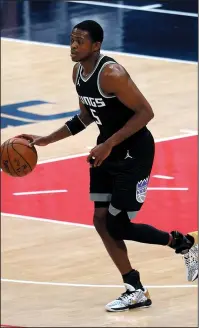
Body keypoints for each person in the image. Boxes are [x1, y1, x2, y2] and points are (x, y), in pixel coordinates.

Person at [18, 20, 197, 312]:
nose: (73, 46)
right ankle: (134, 288)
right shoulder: (78, 72)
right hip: (107, 150)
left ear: (96, 45)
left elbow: (146, 113)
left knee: (117, 224)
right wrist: (46, 140)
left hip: (134, 153)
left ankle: (183, 243)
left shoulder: (112, 74)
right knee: (100, 221)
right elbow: (85, 117)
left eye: (80, 41)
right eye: (71, 40)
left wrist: (109, 144)